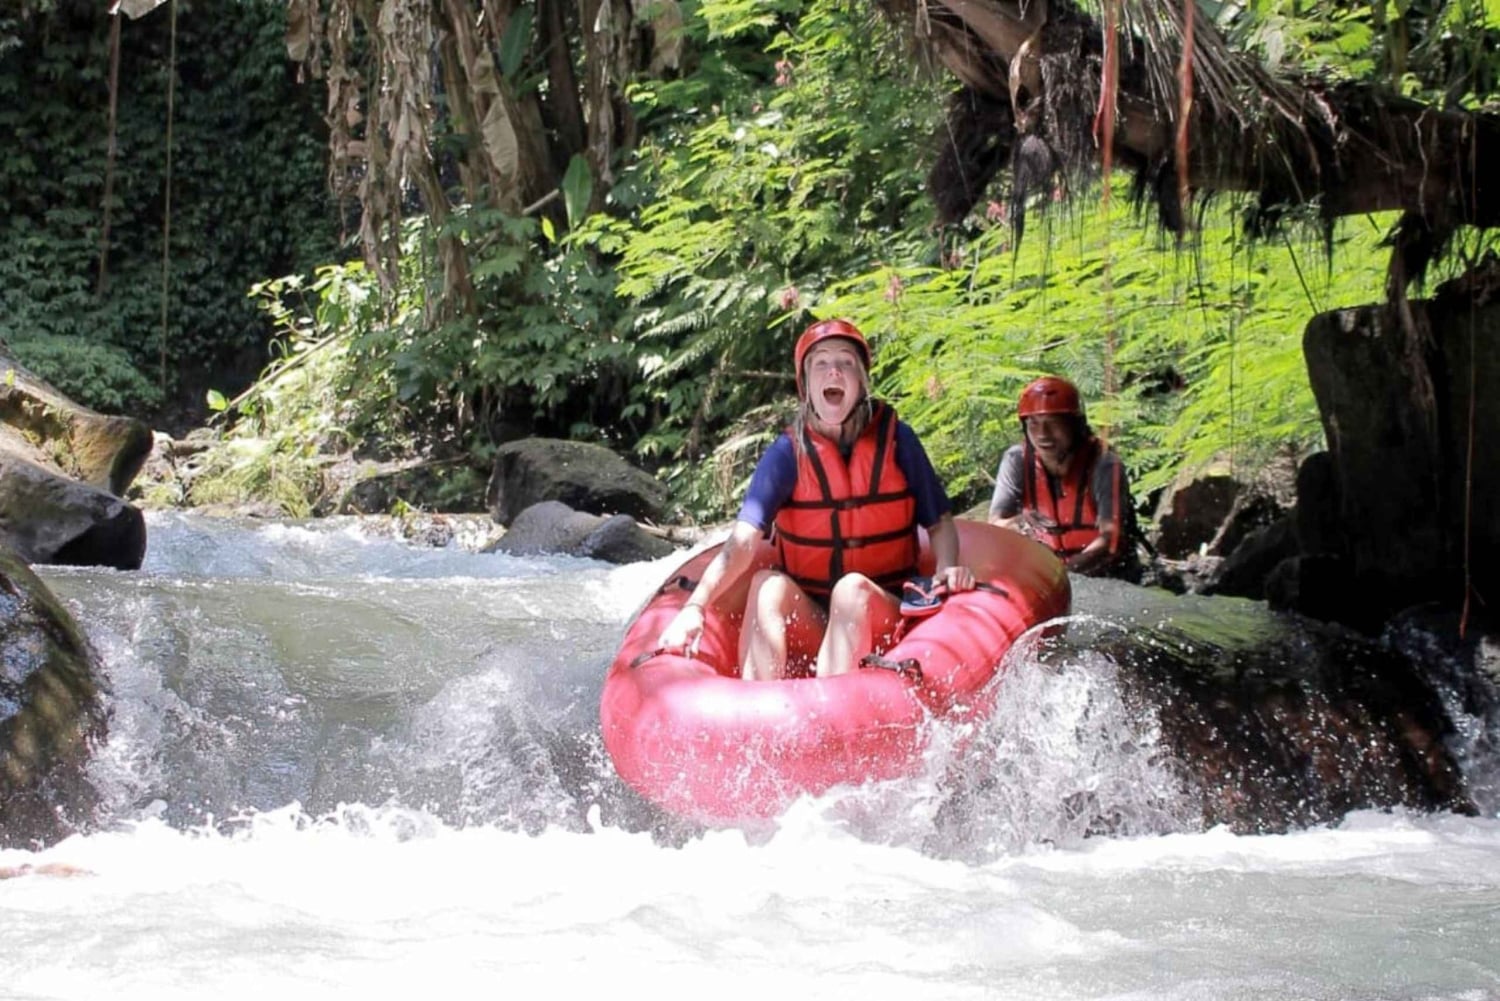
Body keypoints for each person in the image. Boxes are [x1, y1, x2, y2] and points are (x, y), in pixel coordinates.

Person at [658, 318, 975, 681]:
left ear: (862, 382)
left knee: (850, 589)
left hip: (881, 608)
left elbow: (940, 523)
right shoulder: (786, 454)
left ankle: (832, 714)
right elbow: (742, 542)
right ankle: (761, 709)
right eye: (821, 363)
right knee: (766, 585)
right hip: (812, 614)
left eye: (846, 363)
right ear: (806, 384)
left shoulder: (898, 441)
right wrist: (696, 606)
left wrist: (946, 567)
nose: (834, 371)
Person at [987, 375, 1141, 579]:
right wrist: (1019, 522)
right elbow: (995, 526)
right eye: (1034, 423)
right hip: (1051, 574)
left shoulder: (1105, 465)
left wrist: (1065, 577)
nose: (1043, 434)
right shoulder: (1016, 461)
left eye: (1054, 423)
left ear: (1075, 426)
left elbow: (1111, 539)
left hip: (1108, 577)